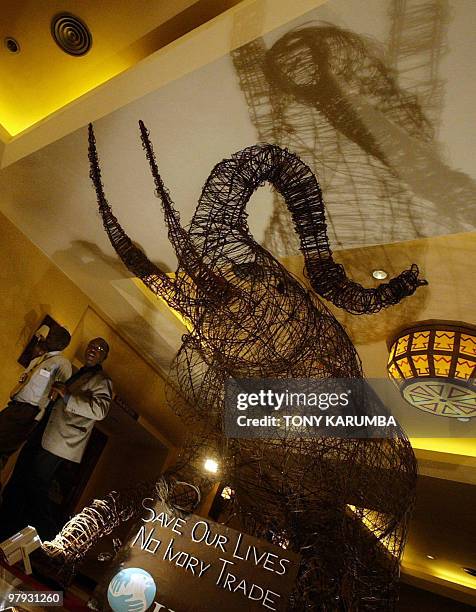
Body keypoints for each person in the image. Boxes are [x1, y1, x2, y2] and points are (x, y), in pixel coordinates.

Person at [0, 337, 113, 541]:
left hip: (60, 441)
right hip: (43, 431)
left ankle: (50, 536)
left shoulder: (103, 380)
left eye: (99, 349)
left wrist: (67, 395)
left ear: (104, 356)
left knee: (35, 483)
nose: (92, 350)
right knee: (20, 476)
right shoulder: (78, 372)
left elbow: (100, 410)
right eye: (91, 346)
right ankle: (5, 526)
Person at [0, 325, 72, 475]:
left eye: (54, 336)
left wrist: (38, 419)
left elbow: (58, 393)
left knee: (3, 446)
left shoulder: (62, 364)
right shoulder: (41, 358)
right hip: (15, 406)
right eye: (50, 334)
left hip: (28, 412)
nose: (49, 337)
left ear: (62, 344)